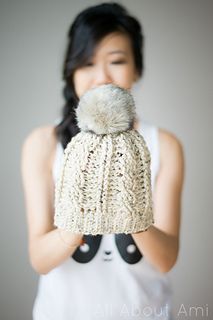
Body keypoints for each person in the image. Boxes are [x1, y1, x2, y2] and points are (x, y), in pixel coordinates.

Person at [21, 2, 184, 320]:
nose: (102, 77)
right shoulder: (43, 143)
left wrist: (130, 205)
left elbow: (165, 260)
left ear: (137, 69)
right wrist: (77, 219)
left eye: (117, 61)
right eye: (87, 63)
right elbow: (40, 260)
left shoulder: (163, 145)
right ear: (71, 72)